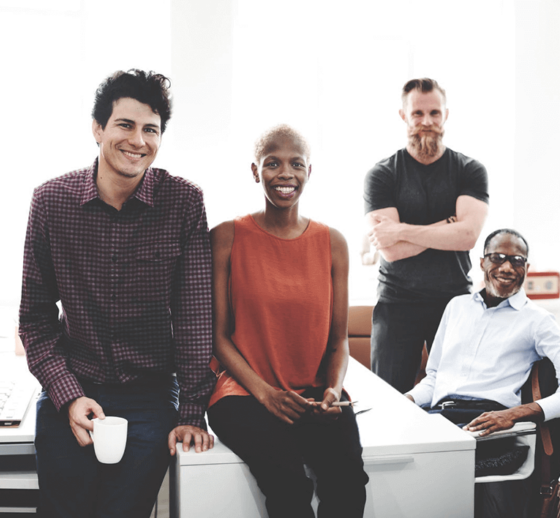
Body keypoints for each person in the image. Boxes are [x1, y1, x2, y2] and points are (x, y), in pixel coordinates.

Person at [19, 69, 215, 518]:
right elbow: (35, 319)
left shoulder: (184, 201)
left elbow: (195, 315)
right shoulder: (50, 201)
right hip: (74, 380)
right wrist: (68, 395)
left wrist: (191, 410)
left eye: (151, 129)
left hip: (149, 393)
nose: (138, 140)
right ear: (98, 129)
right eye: (125, 125)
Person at [207, 125, 368, 518]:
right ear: (254, 171)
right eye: (272, 163)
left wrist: (333, 390)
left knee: (349, 486)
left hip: (313, 395)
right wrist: (266, 394)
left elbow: (338, 342)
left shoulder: (333, 243)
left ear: (309, 172)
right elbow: (219, 338)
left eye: (296, 164)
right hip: (244, 395)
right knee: (289, 490)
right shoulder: (226, 237)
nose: (285, 173)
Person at [407, 229, 560, 518]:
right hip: (440, 420)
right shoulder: (456, 307)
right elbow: (435, 378)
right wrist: (407, 401)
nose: (506, 267)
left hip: (494, 426)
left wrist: (514, 414)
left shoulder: (538, 321)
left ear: (526, 268)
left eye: (516, 260)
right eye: (497, 257)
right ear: (482, 263)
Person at [364, 77, 490, 393]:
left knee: (455, 401)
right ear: (403, 116)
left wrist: (402, 230)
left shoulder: (470, 170)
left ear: (446, 115)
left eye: (434, 113)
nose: (427, 122)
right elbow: (390, 251)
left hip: (454, 301)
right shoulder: (381, 174)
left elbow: (467, 237)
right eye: (418, 114)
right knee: (389, 401)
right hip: (396, 303)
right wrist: (447, 225)